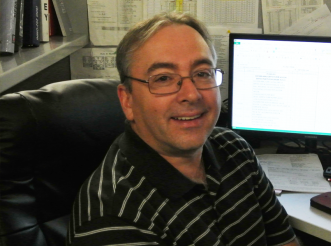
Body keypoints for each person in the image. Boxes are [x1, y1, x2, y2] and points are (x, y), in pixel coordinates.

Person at [67, 12, 300, 246]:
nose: (191, 94)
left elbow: (284, 241)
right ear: (127, 100)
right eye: (163, 78)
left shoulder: (234, 149)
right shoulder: (112, 219)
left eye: (202, 73)